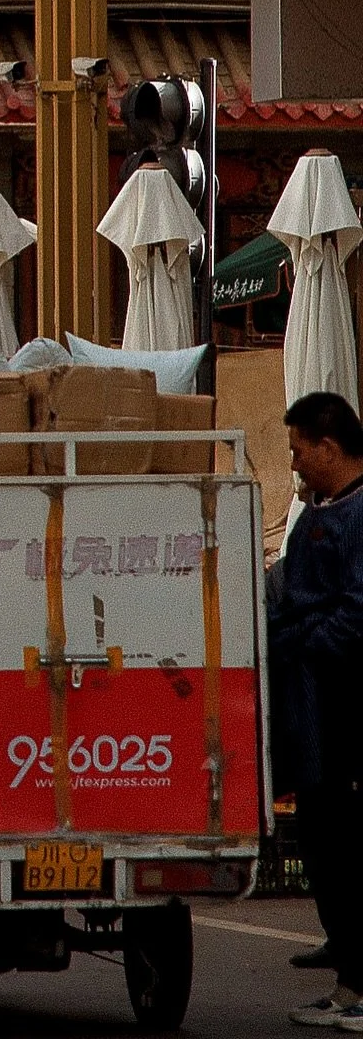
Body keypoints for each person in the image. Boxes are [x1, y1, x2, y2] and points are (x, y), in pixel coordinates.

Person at [268, 391, 363, 1030]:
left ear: (329, 446)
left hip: (346, 711)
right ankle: (348, 976)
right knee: (325, 843)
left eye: (300, 452)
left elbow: (357, 611)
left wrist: (305, 641)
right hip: (310, 716)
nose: (296, 465)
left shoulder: (359, 515)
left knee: (352, 848)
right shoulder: (315, 512)